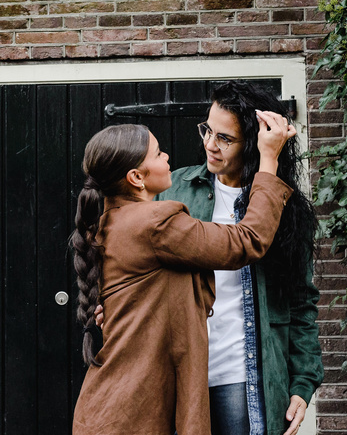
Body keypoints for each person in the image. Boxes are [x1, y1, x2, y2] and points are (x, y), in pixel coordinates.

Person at [71, 113, 296, 435]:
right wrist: (269, 160)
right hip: (130, 414)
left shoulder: (113, 221)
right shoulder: (154, 222)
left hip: (113, 407)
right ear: (137, 177)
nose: (167, 158)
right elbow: (247, 241)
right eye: (159, 153)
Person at [160, 81, 323, 435]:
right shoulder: (173, 190)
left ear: (253, 143)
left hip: (245, 377)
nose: (209, 144)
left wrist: (303, 382)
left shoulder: (284, 209)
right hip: (178, 375)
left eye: (225, 138)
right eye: (207, 130)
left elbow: (301, 302)